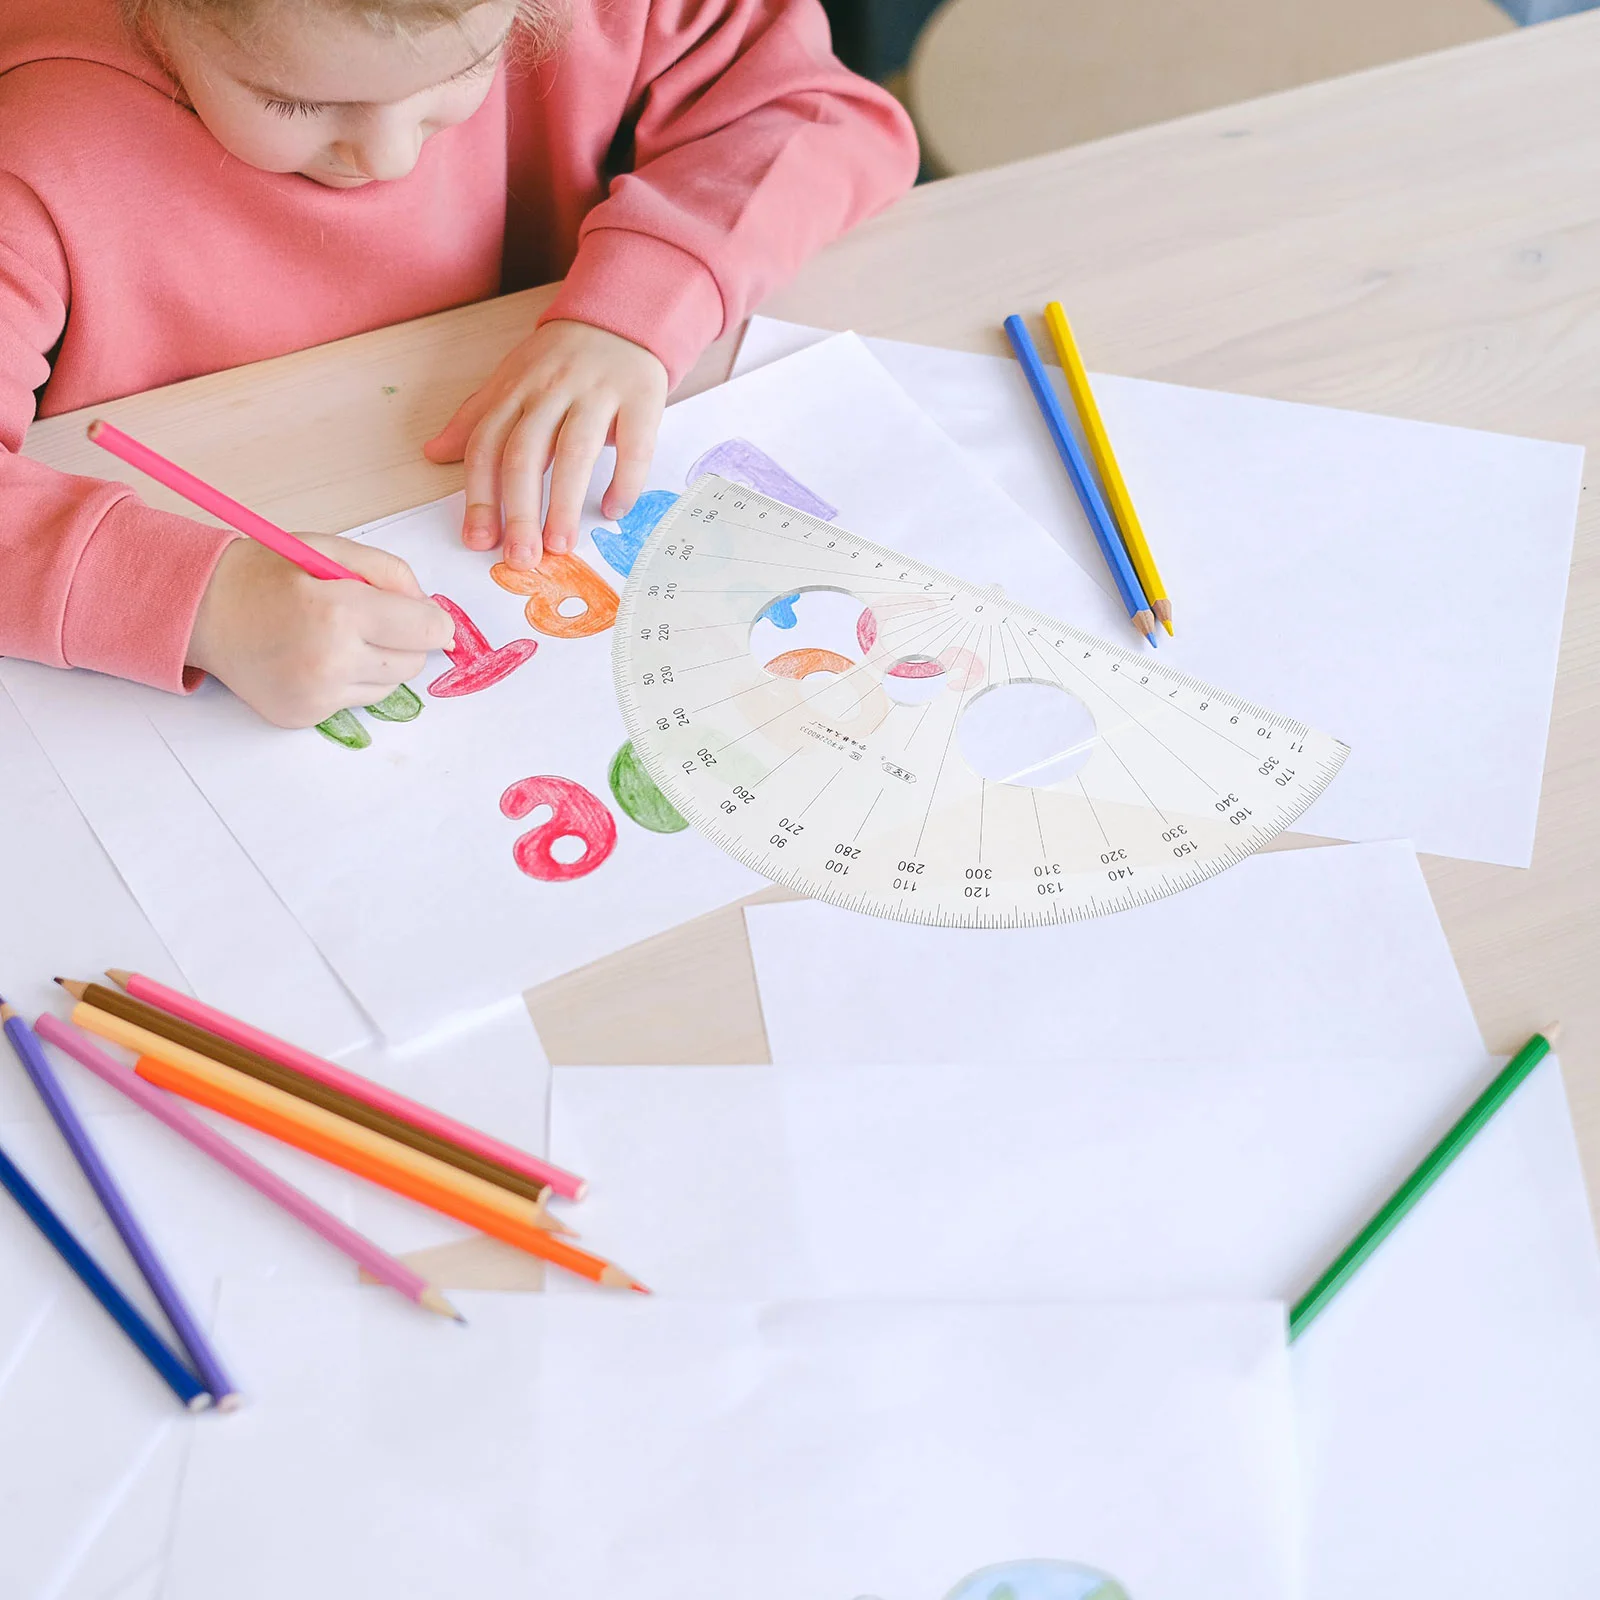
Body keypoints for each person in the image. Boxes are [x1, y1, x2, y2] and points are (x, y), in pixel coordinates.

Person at [0, 0, 917, 726]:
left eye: (463, 67)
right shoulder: (35, 142)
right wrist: (201, 600)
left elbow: (816, 114)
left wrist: (639, 308)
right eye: (296, 101)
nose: (390, 156)